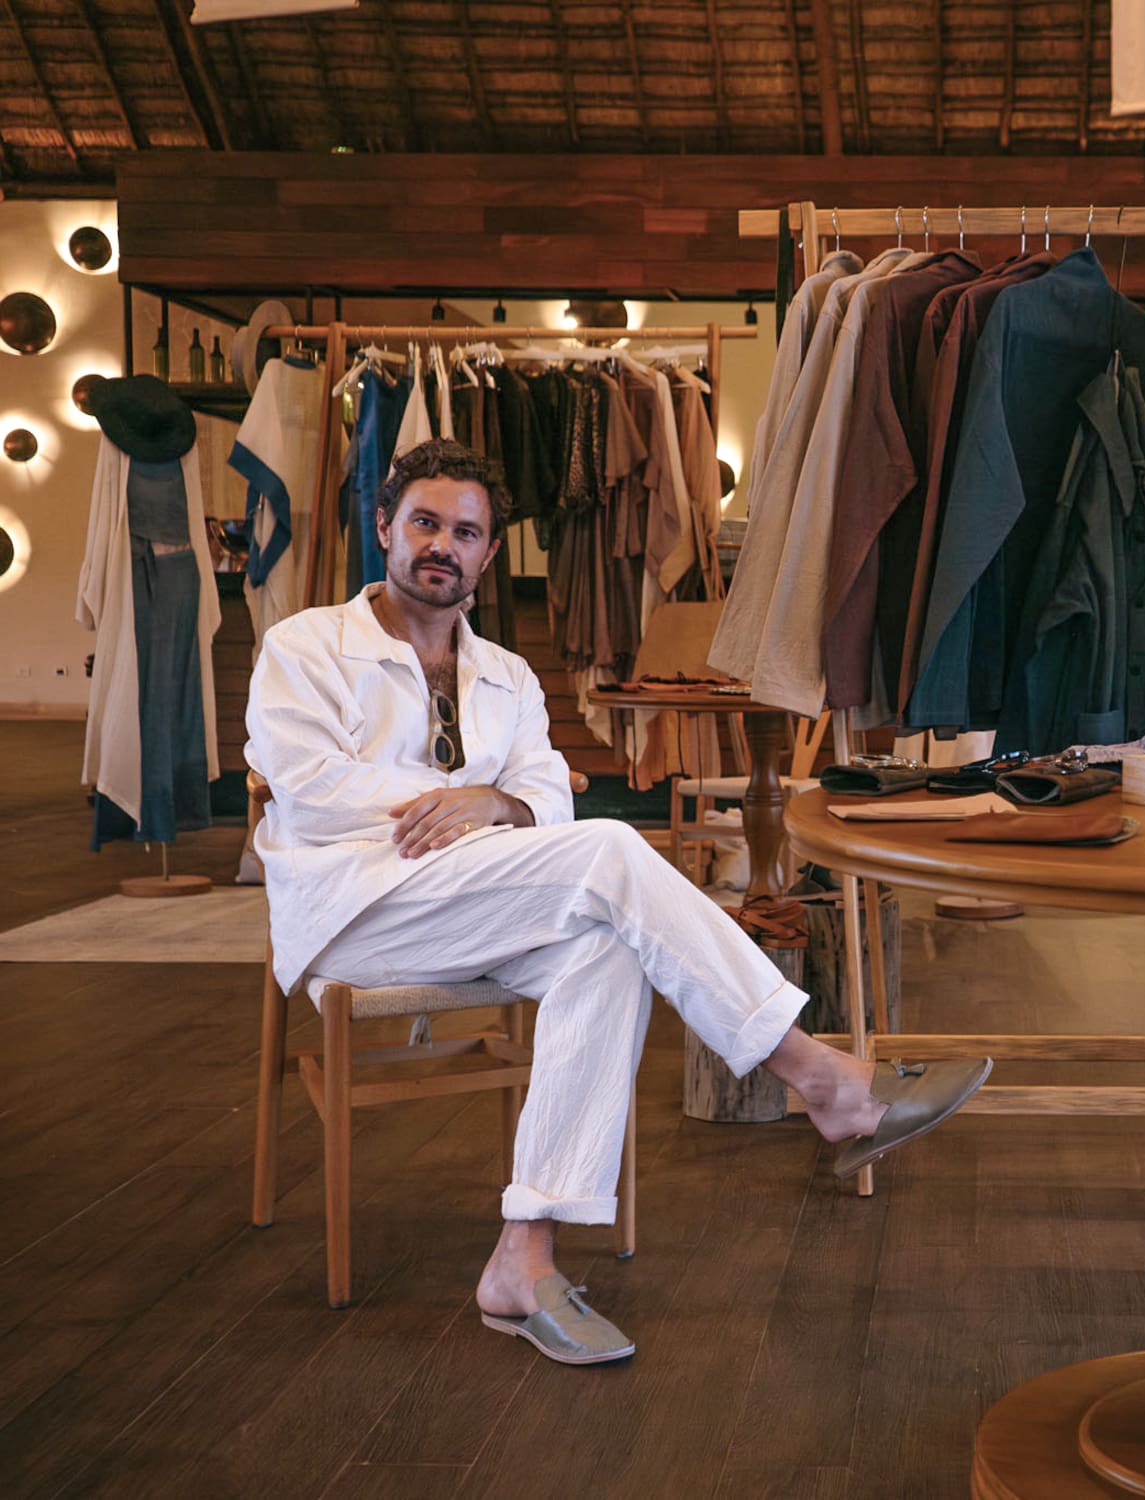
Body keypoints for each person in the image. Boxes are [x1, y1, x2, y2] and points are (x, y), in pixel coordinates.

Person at [246, 439, 989, 1366]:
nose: (444, 544)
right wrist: (470, 814)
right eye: (426, 523)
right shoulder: (307, 646)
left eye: (466, 532)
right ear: (386, 527)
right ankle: (821, 1076)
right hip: (354, 908)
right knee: (607, 849)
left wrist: (495, 802)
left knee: (606, 950)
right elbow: (307, 786)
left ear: (487, 553)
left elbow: (548, 791)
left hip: (479, 900)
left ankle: (525, 1260)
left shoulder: (508, 675)